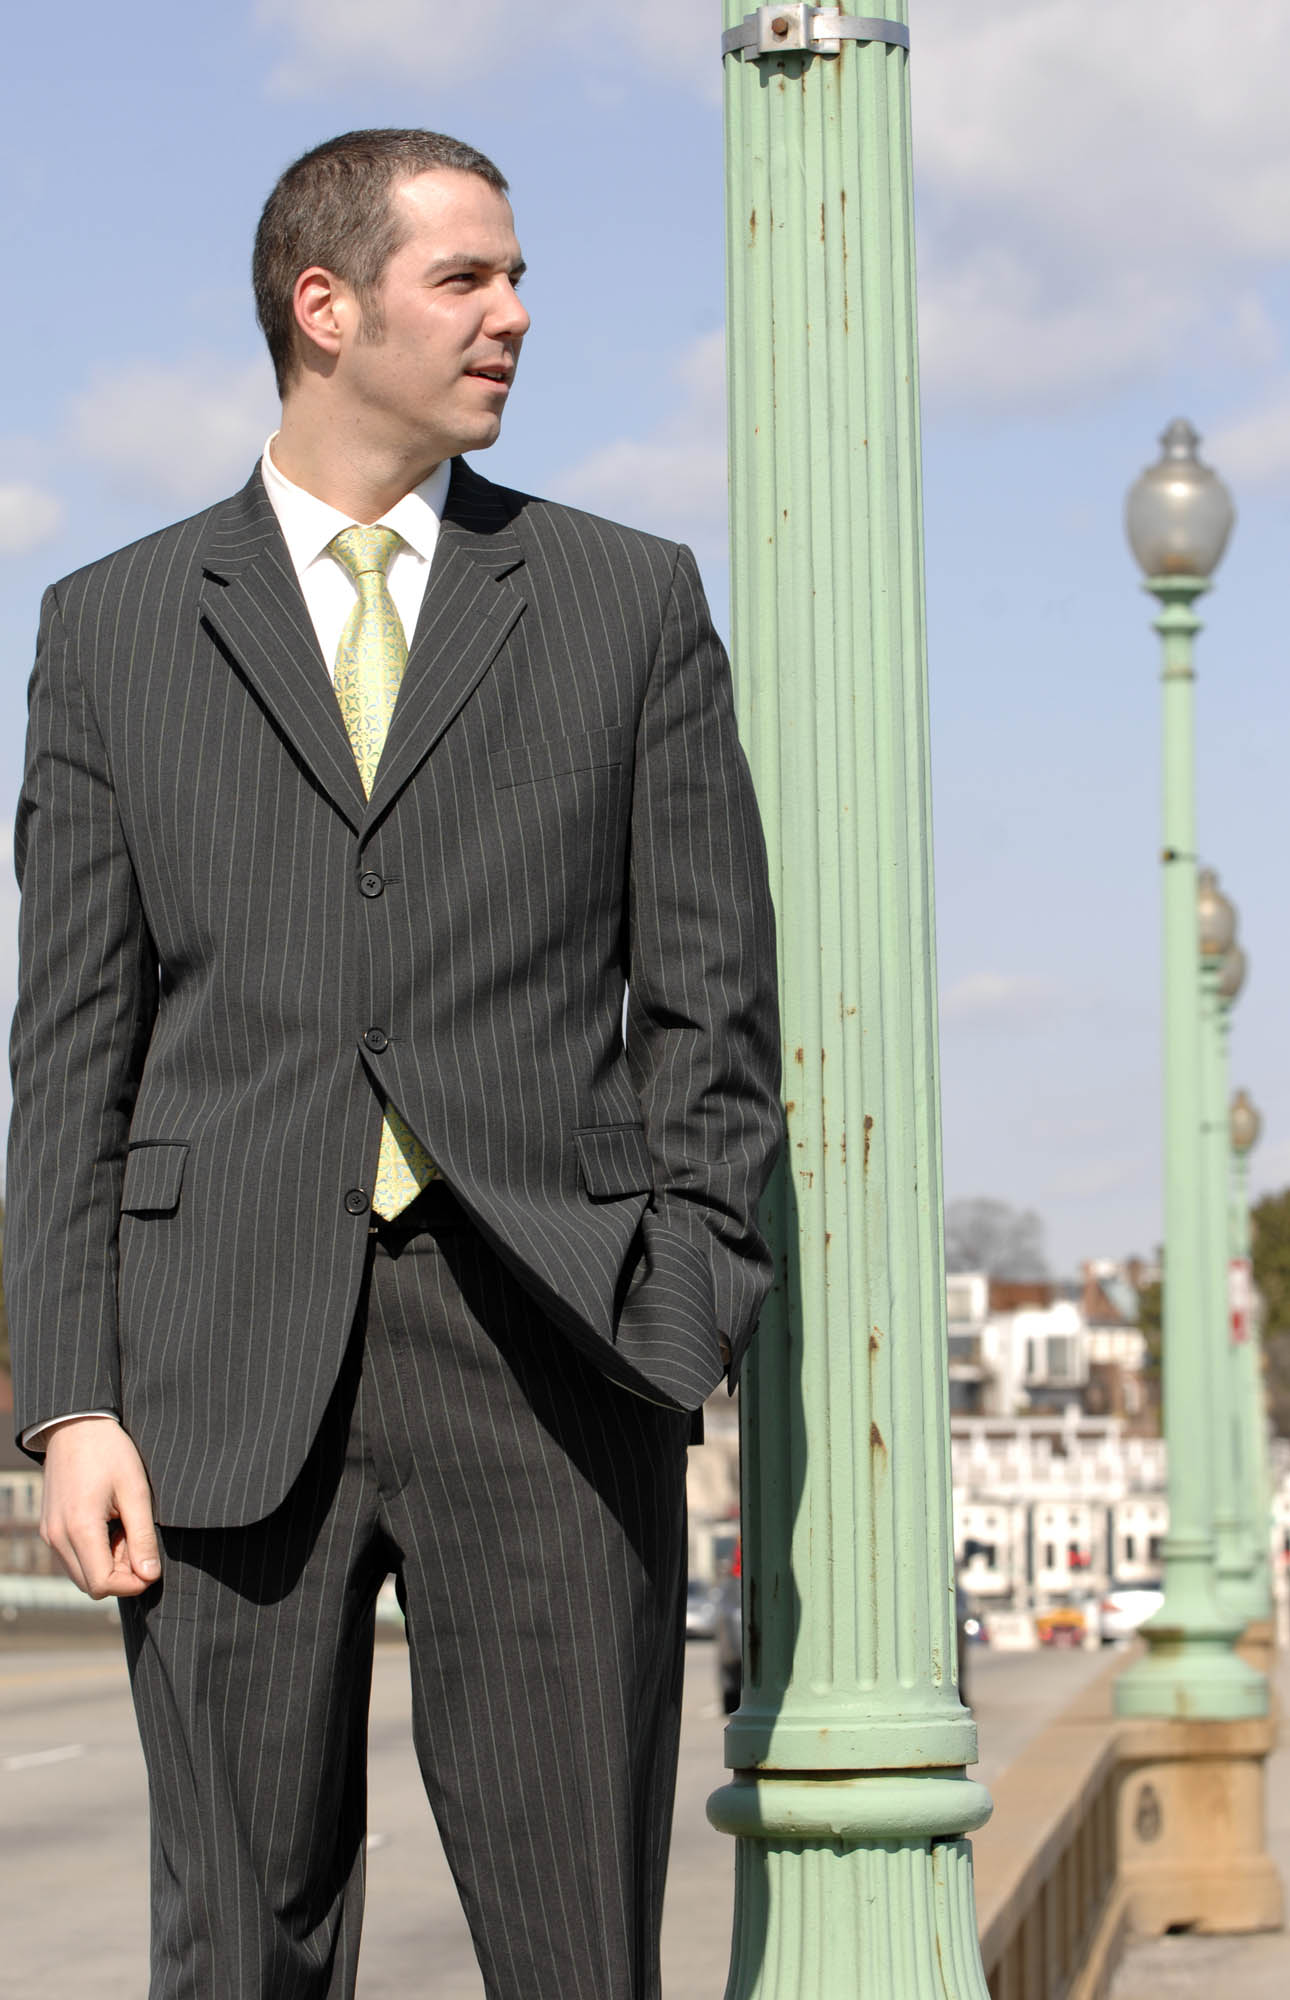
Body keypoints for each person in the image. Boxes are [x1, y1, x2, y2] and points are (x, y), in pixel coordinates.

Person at [7, 129, 781, 1998]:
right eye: (466, 278)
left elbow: (713, 1012)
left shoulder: (622, 600)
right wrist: (72, 1400)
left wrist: (679, 1311)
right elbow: (72, 1050)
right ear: (325, 307)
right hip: (211, 1372)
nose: (512, 316)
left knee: (577, 1952)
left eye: (517, 279)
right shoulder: (112, 628)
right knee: (237, 1948)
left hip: (554, 1350)